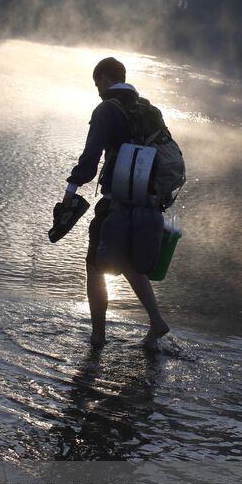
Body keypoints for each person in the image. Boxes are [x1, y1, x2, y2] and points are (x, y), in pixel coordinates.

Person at [63, 56, 170, 350]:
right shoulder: (145, 108)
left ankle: (97, 337)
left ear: (105, 78)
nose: (97, 89)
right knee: (128, 262)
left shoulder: (107, 109)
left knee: (95, 267)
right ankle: (157, 322)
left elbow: (91, 156)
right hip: (146, 200)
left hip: (116, 202)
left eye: (97, 82)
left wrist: (71, 189)